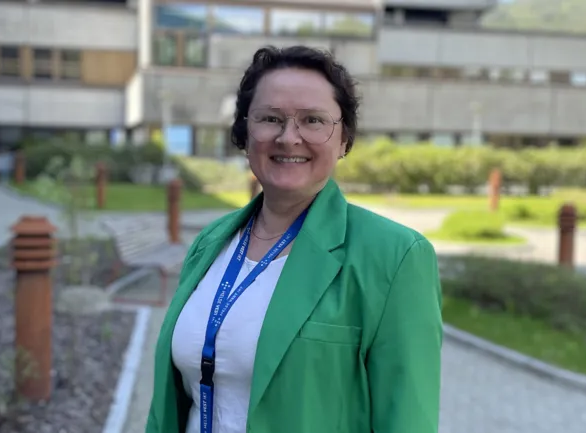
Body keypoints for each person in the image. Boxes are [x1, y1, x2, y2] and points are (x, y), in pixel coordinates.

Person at [146, 45, 442, 433]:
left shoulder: (395, 257)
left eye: (313, 120)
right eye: (270, 118)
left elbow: (407, 419)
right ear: (245, 133)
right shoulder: (211, 243)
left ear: (343, 139)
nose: (289, 138)